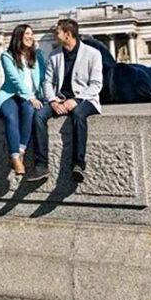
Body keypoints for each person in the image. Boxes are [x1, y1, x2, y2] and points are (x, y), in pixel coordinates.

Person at [27, 18, 102, 183]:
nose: (55, 34)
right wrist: (53, 101)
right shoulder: (55, 55)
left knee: (79, 115)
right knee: (39, 116)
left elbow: (96, 85)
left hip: (85, 99)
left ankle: (78, 164)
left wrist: (76, 100)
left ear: (68, 34)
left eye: (57, 32)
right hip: (59, 99)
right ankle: (41, 165)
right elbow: (47, 82)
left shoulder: (93, 54)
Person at [0, 24, 46, 175]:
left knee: (29, 110)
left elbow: (43, 79)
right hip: (10, 95)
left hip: (30, 97)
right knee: (11, 117)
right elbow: (15, 80)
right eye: (27, 34)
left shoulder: (39, 55)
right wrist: (30, 97)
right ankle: (15, 157)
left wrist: (48, 96)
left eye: (32, 34)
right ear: (19, 36)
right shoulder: (7, 56)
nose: (31, 37)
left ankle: (21, 150)